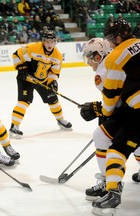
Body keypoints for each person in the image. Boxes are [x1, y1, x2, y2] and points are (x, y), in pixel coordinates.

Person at [82, 19, 140, 216]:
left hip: (136, 110)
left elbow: (113, 103)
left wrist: (98, 110)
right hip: (133, 109)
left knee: (110, 140)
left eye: (92, 57)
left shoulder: (113, 61)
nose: (90, 61)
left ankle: (110, 185)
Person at [10, 30, 72, 138]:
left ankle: (60, 120)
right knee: (24, 102)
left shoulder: (57, 56)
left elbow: (54, 71)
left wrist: (52, 82)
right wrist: (21, 68)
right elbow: (16, 55)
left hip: (43, 80)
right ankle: (14, 126)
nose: (49, 44)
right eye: (47, 41)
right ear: (43, 41)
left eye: (52, 41)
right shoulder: (32, 48)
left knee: (54, 100)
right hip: (26, 79)